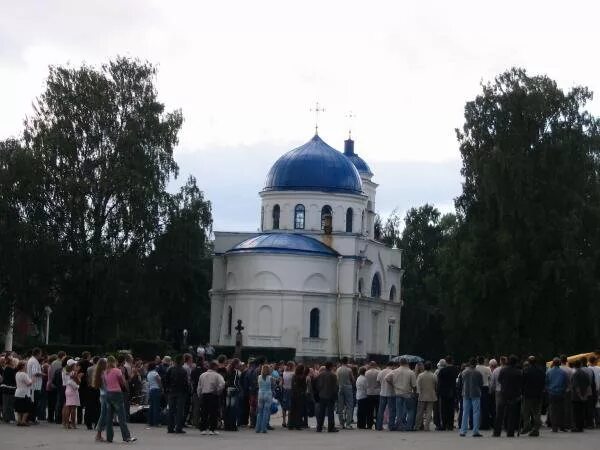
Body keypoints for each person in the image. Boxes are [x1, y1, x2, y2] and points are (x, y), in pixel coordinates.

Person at [103, 356, 137, 443]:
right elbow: (122, 382)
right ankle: (126, 437)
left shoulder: (105, 372)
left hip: (108, 393)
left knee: (109, 417)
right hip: (117, 393)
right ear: (114, 362)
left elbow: (105, 384)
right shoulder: (117, 370)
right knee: (121, 416)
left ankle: (109, 437)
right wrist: (126, 388)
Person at [493, 354, 522, 437]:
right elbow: (520, 384)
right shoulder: (518, 372)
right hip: (514, 395)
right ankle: (510, 432)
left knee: (499, 414)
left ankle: (497, 432)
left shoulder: (503, 370)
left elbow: (499, 380)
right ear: (516, 362)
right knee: (511, 415)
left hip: (503, 393)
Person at [385, 357, 417, 431]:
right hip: (408, 393)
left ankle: (399, 426)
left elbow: (386, 378)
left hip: (398, 393)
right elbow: (414, 385)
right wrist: (414, 393)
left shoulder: (395, 371)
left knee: (399, 411)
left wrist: (393, 385)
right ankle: (409, 427)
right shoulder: (411, 372)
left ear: (399, 363)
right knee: (410, 410)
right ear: (407, 363)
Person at [164, 354, 189, 434]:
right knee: (179, 411)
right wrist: (186, 392)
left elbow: (166, 380)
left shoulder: (170, 369)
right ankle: (178, 427)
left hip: (171, 392)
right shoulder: (183, 371)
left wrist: (167, 389)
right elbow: (186, 383)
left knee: (171, 410)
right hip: (181, 392)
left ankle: (170, 427)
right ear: (181, 361)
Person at [198, 360, 225, 435]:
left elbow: (199, 386)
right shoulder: (217, 375)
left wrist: (199, 395)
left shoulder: (202, 375)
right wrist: (218, 391)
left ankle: (203, 429)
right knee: (213, 413)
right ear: (215, 367)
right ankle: (212, 429)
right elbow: (222, 384)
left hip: (204, 395)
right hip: (213, 395)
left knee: (204, 412)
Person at [520, 356, 545, 436]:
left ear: (529, 362)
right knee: (537, 412)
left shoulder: (526, 370)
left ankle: (527, 425)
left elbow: (522, 383)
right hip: (538, 394)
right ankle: (536, 429)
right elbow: (543, 382)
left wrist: (521, 391)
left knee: (525, 411)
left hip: (528, 394)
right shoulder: (541, 371)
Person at [459, 357, 483, 437]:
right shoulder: (478, 373)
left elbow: (462, 381)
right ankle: (475, 431)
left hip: (466, 393)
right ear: (475, 364)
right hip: (475, 393)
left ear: (469, 363)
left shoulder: (464, 372)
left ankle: (463, 431)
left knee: (465, 412)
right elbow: (481, 383)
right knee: (476, 412)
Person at [437, 356, 460, 431]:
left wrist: (438, 391)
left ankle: (444, 424)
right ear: (452, 361)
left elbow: (439, 383)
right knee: (451, 409)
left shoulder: (442, 371)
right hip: (452, 391)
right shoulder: (456, 370)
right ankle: (450, 425)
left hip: (443, 392)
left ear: (446, 362)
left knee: (444, 409)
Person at [315, 361, 339, 432]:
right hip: (330, 396)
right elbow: (335, 387)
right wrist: (335, 395)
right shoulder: (333, 375)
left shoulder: (320, 374)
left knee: (321, 412)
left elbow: (316, 383)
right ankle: (331, 428)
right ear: (331, 367)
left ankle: (319, 427)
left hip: (322, 395)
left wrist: (319, 390)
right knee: (330, 412)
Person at [546, 357, 568, 432]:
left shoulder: (549, 372)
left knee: (552, 411)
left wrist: (548, 389)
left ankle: (554, 427)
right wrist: (563, 390)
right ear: (559, 364)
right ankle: (562, 426)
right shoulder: (563, 372)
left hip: (551, 393)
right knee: (561, 410)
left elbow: (546, 382)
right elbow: (566, 383)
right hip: (560, 393)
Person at [415, 361, 437, 431]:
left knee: (419, 412)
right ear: (431, 367)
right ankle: (426, 427)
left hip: (422, 395)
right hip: (431, 395)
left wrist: (418, 393)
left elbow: (417, 385)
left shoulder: (420, 375)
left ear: (424, 367)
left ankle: (417, 426)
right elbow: (436, 385)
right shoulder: (434, 375)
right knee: (429, 412)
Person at [571, 359, 591, 432]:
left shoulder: (575, 374)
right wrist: (585, 395)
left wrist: (580, 396)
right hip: (584, 395)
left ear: (574, 366)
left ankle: (577, 427)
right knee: (582, 412)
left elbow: (576, 387)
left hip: (576, 397)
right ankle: (581, 426)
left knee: (576, 412)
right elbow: (588, 386)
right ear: (581, 365)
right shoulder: (585, 374)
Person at [91, 358, 108, 442]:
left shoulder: (98, 374)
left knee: (104, 414)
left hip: (102, 395)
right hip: (106, 395)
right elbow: (107, 386)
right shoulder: (104, 374)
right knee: (104, 415)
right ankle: (98, 434)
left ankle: (99, 433)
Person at [376, 361, 396, 431]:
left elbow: (377, 381)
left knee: (381, 410)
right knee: (392, 411)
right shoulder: (393, 372)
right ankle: (391, 426)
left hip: (382, 393)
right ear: (392, 365)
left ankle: (379, 426)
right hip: (391, 393)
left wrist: (382, 385)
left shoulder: (381, 372)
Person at [336, 357, 355, 429]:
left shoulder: (338, 369)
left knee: (340, 406)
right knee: (349, 406)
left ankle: (341, 424)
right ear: (347, 362)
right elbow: (352, 379)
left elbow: (337, 379)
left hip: (340, 387)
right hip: (348, 387)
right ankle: (348, 424)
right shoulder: (349, 370)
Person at [254, 364, 273, 433]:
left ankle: (257, 428)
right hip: (268, 394)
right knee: (266, 412)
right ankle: (263, 428)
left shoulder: (259, 377)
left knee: (260, 412)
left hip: (260, 394)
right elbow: (273, 385)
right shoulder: (270, 377)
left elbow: (257, 385)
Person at [26, 348, 43, 423]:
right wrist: (43, 374)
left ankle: (30, 418)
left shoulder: (30, 360)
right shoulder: (35, 361)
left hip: (32, 385)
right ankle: (32, 418)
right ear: (38, 353)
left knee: (32, 403)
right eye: (40, 353)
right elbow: (35, 372)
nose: (41, 355)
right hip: (35, 386)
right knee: (35, 403)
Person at [223, 358, 241, 431]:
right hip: (233, 390)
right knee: (233, 409)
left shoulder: (227, 370)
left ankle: (226, 425)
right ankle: (232, 426)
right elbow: (235, 382)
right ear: (236, 364)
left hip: (227, 390)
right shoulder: (236, 372)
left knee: (227, 408)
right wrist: (238, 389)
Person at [14, 361, 33, 427]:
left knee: (19, 409)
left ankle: (19, 421)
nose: (26, 367)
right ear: (22, 366)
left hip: (18, 393)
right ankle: (23, 421)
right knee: (27, 408)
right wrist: (32, 380)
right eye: (25, 365)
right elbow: (28, 383)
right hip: (24, 393)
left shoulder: (17, 373)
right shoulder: (24, 374)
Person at [475, 356, 492, 430]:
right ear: (483, 361)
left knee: (476, 407)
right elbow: (491, 378)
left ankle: (476, 424)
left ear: (477, 361)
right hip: (485, 387)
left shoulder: (475, 368)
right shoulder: (487, 369)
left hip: (476, 388)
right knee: (485, 407)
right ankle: (485, 424)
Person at [288, 364, 307, 430]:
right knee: (299, 410)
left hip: (293, 394)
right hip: (300, 395)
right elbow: (304, 387)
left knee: (292, 410)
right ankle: (297, 425)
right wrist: (302, 392)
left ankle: (290, 424)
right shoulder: (302, 377)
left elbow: (293, 386)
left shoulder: (294, 376)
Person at [64, 360, 82, 429]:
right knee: (73, 408)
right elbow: (78, 382)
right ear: (72, 366)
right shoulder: (73, 373)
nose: (76, 366)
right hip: (73, 390)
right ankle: (73, 424)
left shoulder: (66, 372)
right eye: (75, 365)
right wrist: (79, 378)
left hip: (67, 390)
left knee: (68, 407)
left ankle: (67, 423)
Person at [364, 361, 380, 429]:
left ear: (370, 365)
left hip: (369, 393)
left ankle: (369, 424)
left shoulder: (366, 372)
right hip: (377, 392)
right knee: (378, 410)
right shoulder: (378, 372)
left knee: (369, 410)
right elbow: (380, 381)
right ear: (376, 365)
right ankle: (378, 424)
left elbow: (365, 382)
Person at [1, 356, 17, 423]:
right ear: (10, 362)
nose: (14, 363)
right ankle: (8, 418)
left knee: (7, 404)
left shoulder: (7, 369)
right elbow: (13, 379)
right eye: (13, 361)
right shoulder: (9, 369)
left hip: (7, 388)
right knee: (8, 404)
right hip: (9, 388)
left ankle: (8, 418)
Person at [146, 362, 162, 427]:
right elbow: (159, 381)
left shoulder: (148, 374)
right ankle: (156, 422)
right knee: (156, 407)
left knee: (151, 406)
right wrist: (161, 388)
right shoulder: (155, 373)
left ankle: (150, 421)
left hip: (151, 390)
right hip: (156, 389)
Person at [281, 361, 294, 428]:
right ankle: (289, 421)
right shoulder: (293, 374)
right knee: (290, 407)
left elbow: (282, 383)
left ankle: (283, 421)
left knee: (284, 407)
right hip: (290, 390)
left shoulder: (284, 373)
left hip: (284, 390)